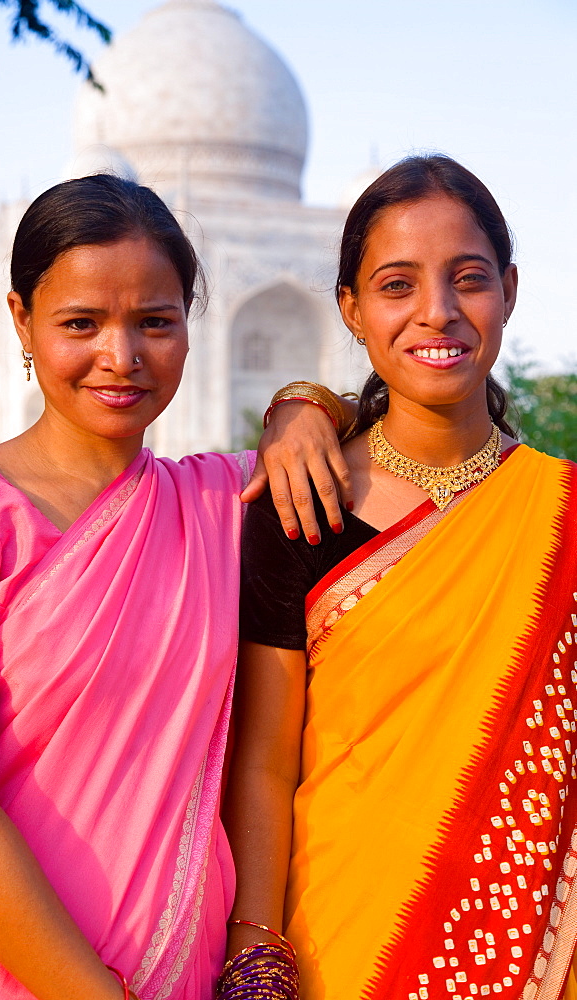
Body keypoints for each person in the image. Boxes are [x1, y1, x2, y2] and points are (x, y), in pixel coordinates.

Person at [0, 174, 352, 1000]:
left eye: (156, 321)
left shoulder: (232, 500)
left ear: (192, 328)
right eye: (82, 323)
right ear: (21, 322)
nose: (124, 357)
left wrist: (303, 403)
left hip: (181, 960)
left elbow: (411, 433)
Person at [225, 154, 577, 1000]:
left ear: (512, 288)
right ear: (349, 307)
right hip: (341, 941)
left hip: (539, 946)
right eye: (395, 285)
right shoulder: (296, 507)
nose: (437, 312)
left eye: (469, 279)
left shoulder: (561, 512)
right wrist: (255, 948)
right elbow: (266, 762)